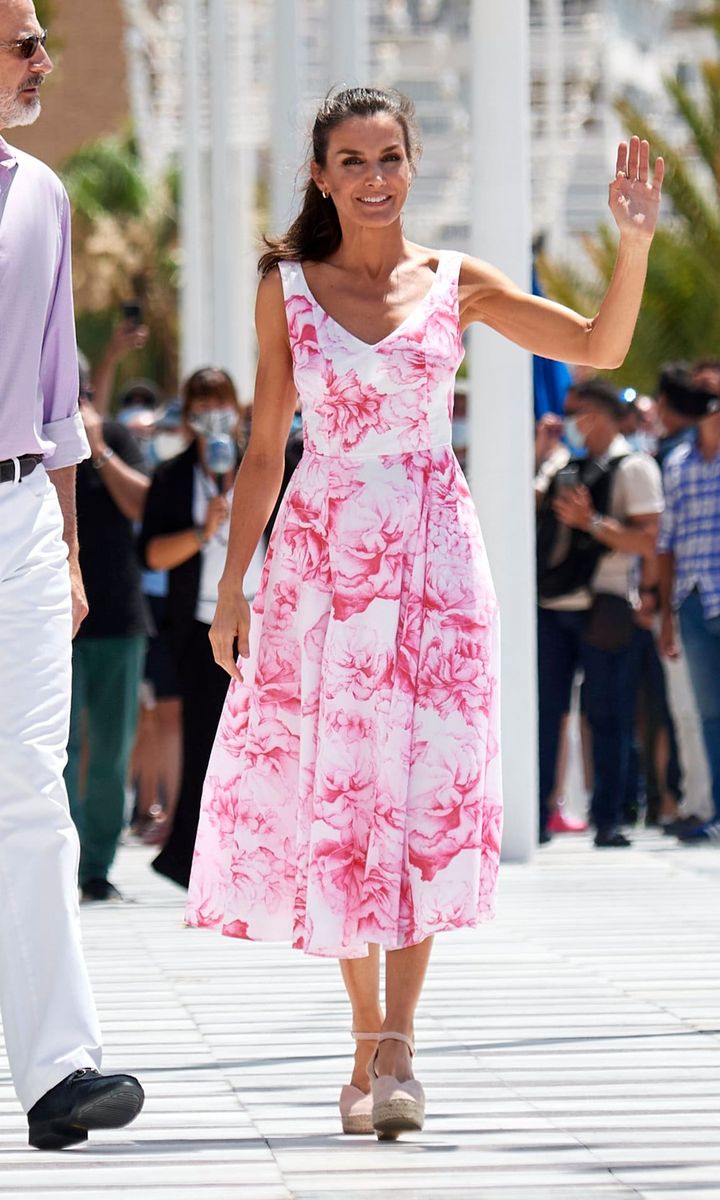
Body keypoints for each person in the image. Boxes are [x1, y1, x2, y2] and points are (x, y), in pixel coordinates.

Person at [184, 87, 663, 1139]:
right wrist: (233, 584)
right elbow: (265, 452)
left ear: (411, 163)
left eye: (389, 157)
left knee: (424, 797)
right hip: (322, 566)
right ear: (320, 175)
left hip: (437, 565)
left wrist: (629, 247)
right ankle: (368, 1042)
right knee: (344, 798)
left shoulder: (458, 285)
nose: (373, 178)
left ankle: (400, 1040)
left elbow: (597, 346)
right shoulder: (289, 290)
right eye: (350, 161)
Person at [0, 0, 143, 1148]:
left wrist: (66, 544)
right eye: (22, 41)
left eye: (43, 38)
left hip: (19, 525)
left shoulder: (41, 196)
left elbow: (58, 402)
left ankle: (59, 1071)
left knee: (31, 791)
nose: (44, 58)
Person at [138, 368, 265, 888]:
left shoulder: (262, 463)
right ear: (188, 416)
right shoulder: (171, 478)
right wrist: (202, 531)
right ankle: (191, 859)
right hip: (200, 625)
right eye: (202, 405)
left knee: (265, 741)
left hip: (264, 618)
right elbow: (152, 554)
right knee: (205, 744)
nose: (214, 414)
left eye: (222, 403)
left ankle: (257, 855)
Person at [537, 379, 664, 846]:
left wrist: (591, 523)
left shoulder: (635, 468)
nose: (572, 419)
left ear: (606, 415)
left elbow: (649, 540)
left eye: (580, 411)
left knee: (607, 715)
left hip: (605, 606)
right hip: (553, 606)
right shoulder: (563, 464)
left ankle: (610, 817)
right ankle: (539, 814)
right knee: (546, 714)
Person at [64, 358, 152, 901]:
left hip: (118, 618)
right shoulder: (28, 443)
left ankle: (96, 866)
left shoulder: (115, 435)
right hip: (55, 618)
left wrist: (98, 448)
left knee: (113, 750)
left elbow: (143, 504)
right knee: (61, 748)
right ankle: (61, 862)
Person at [658, 364, 720, 843]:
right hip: (694, 602)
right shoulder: (677, 463)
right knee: (708, 715)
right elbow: (667, 542)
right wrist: (665, 617)